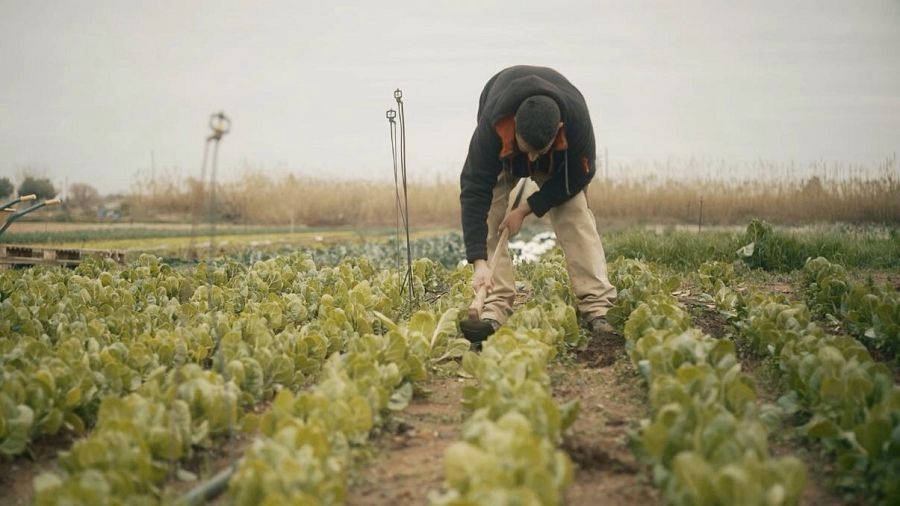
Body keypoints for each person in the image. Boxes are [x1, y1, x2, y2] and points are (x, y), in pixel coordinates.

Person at [459, 65, 617, 343]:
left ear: (558, 129)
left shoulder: (577, 123)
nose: (531, 161)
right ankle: (494, 306)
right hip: (504, 153)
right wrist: (479, 262)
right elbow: (474, 192)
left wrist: (525, 208)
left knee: (575, 212)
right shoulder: (491, 127)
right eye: (526, 149)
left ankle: (596, 305)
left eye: (537, 152)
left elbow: (578, 177)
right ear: (515, 126)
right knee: (491, 215)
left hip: (558, 161)